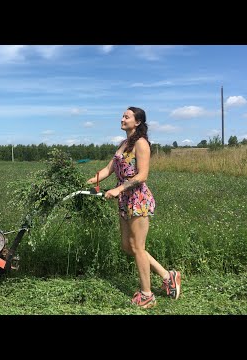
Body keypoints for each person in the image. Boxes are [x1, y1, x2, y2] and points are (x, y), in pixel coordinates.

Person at [86, 106, 181, 309]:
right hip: (123, 200)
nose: (122, 119)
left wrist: (118, 189)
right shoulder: (123, 144)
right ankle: (167, 275)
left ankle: (147, 295)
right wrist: (88, 182)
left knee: (138, 247)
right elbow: (107, 170)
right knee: (127, 247)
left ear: (137, 122)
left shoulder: (141, 143)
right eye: (122, 116)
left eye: (126, 116)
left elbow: (142, 175)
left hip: (137, 199)